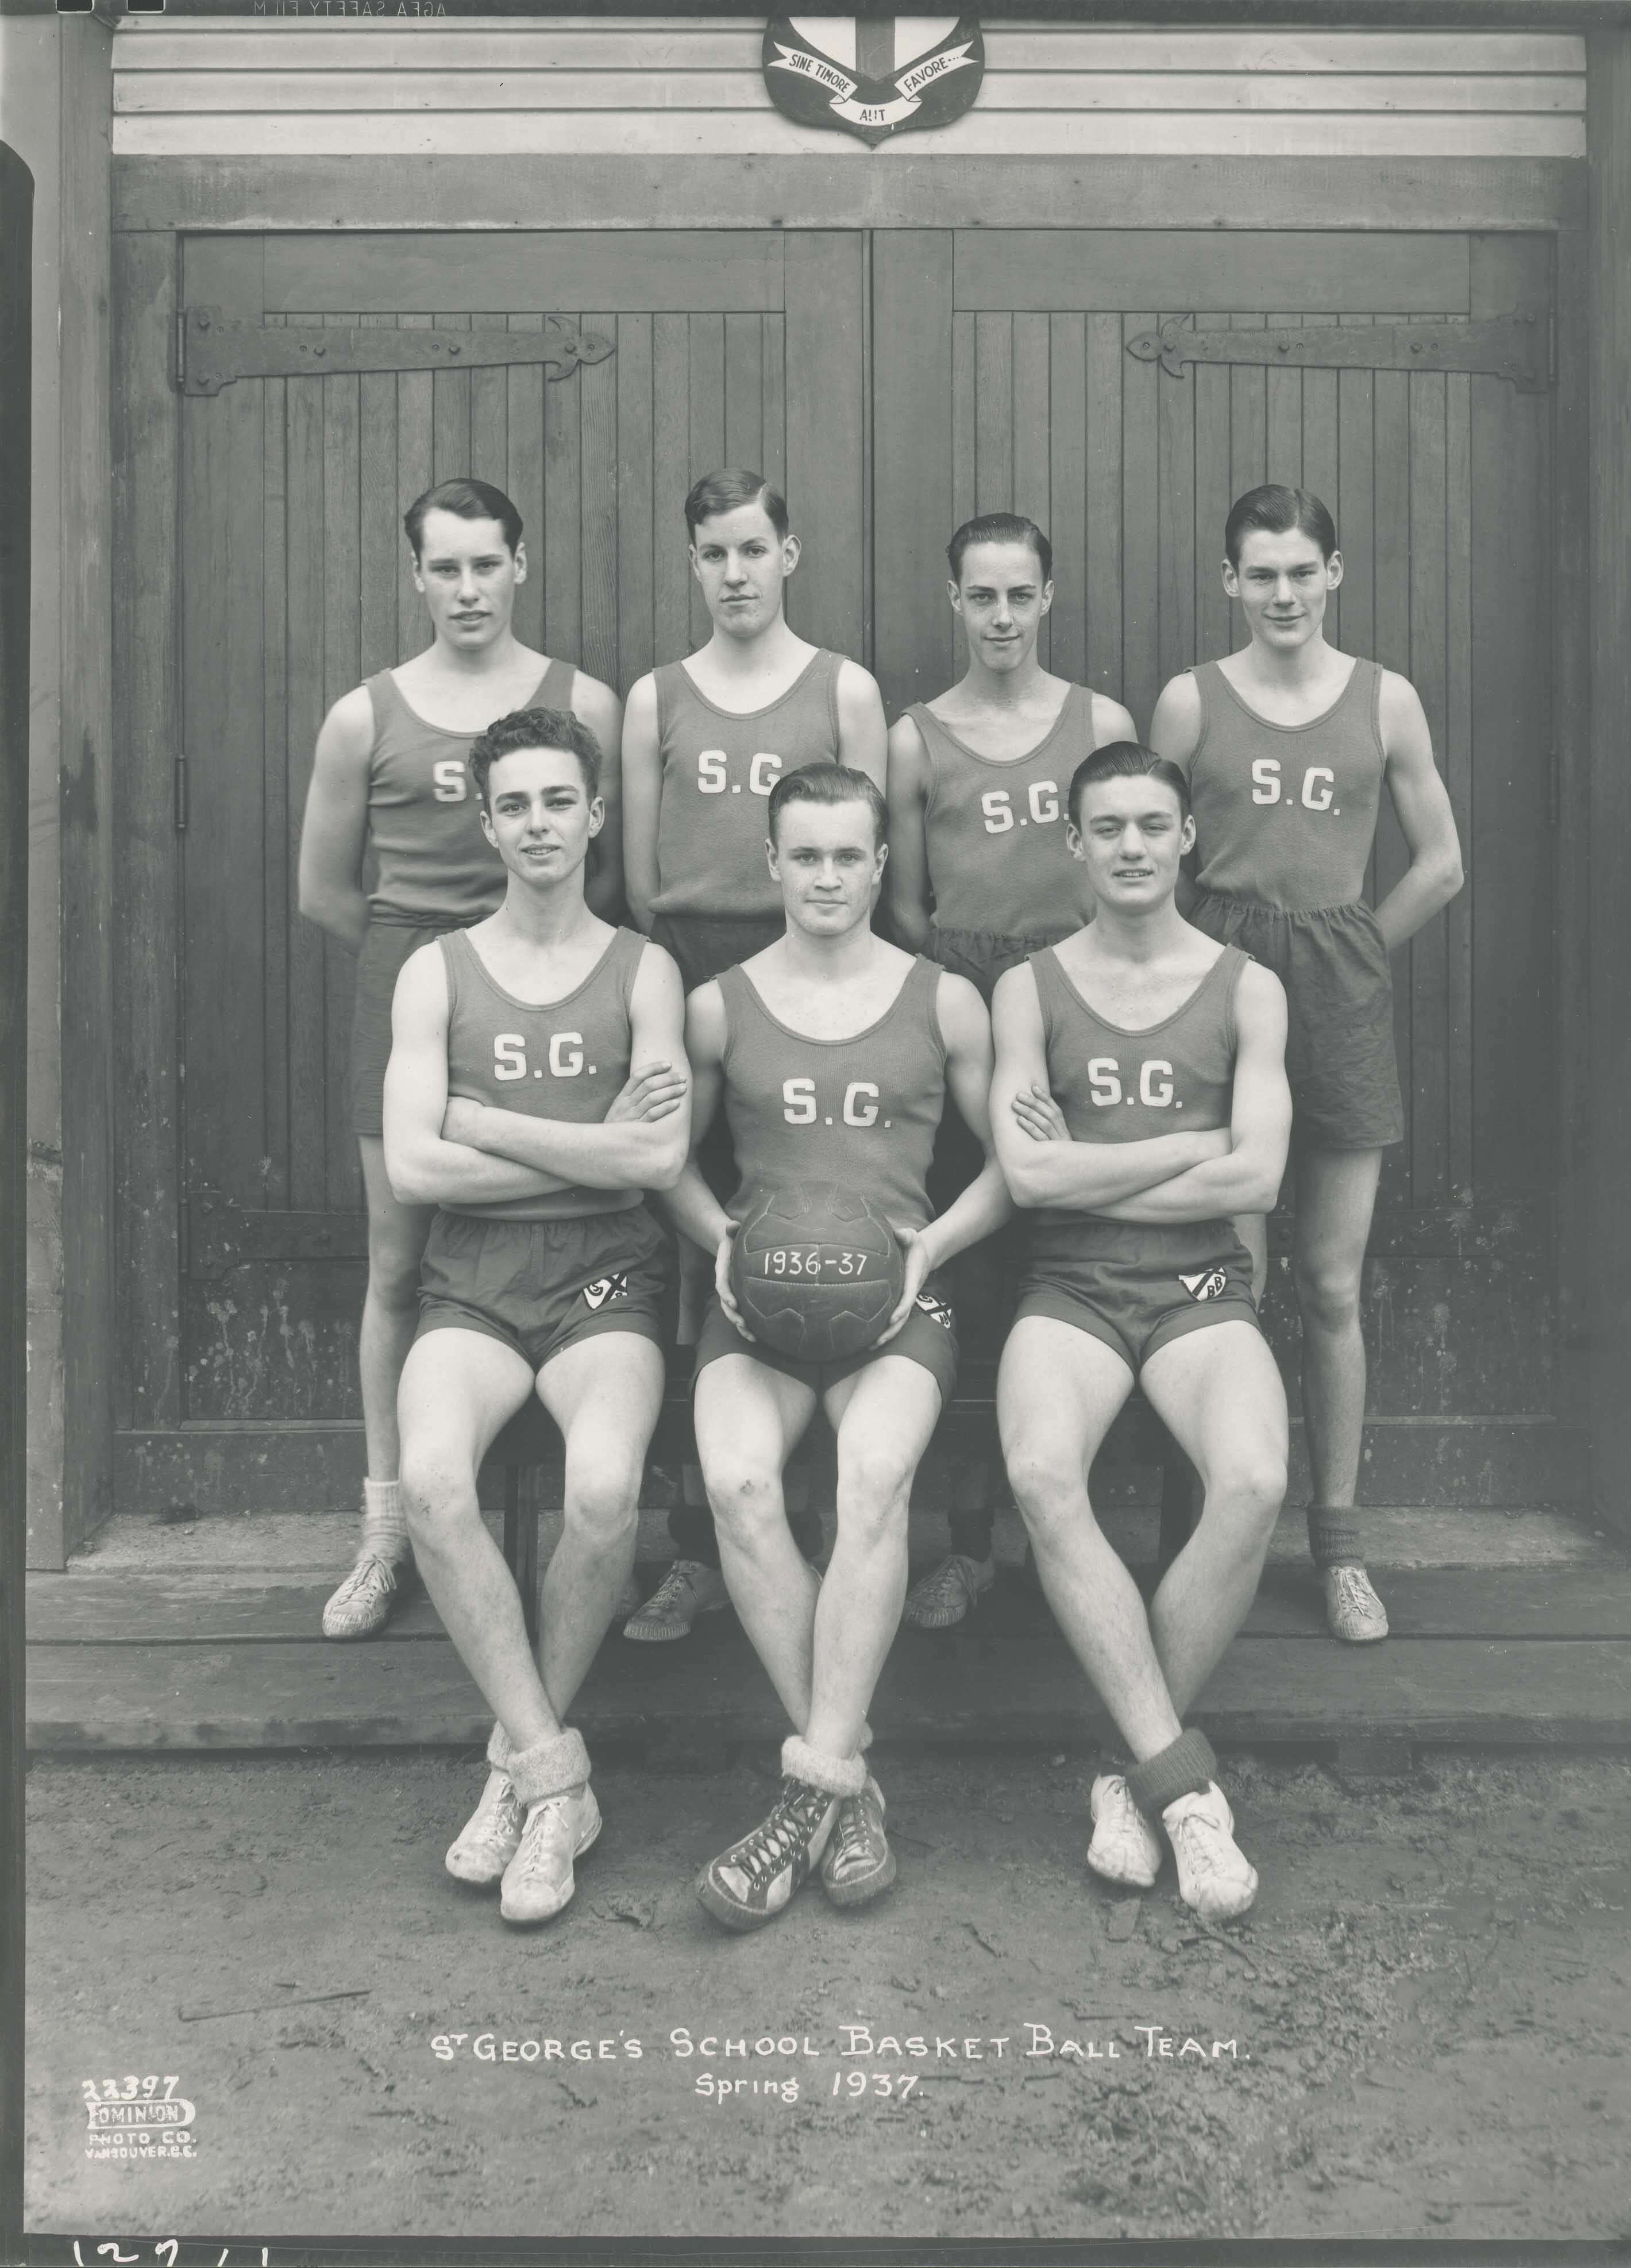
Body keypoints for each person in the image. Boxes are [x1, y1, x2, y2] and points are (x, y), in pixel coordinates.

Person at [665, 763, 1009, 1928]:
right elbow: (661, 1155)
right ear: (771, 863)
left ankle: (798, 1801)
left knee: (872, 1478)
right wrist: (716, 1237)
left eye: (845, 856)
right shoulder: (716, 1006)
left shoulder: (944, 1001)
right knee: (738, 1483)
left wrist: (935, 1246)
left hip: (899, 1312)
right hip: (755, 1310)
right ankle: (846, 1783)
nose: (824, 876)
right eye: (802, 855)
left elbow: (1020, 1162)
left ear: (878, 865)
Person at [298, 478, 623, 1641]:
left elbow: (605, 863)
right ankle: (387, 1523)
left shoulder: (579, 697)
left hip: (551, 984)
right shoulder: (364, 714)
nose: (468, 588)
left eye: (487, 564)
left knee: (576, 1211)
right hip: (411, 982)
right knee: (397, 1263)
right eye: (446, 568)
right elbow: (324, 891)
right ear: (417, 577)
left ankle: (624, 1525)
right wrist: (431, 970)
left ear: (520, 566)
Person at [383, 707, 689, 1925]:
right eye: (514, 805)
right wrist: (594, 1146)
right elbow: (414, 1170)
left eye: (558, 800)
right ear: (487, 821)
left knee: (607, 1493)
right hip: (471, 1284)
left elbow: (654, 1163)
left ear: (595, 812)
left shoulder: (643, 969)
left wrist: (487, 1120)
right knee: (432, 1484)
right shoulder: (435, 969)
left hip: (606, 1281)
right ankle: (549, 1772)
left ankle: (516, 1772)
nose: (538, 824)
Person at [1149, 485, 1464, 1645]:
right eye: (1259, 575)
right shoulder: (1189, 702)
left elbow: (1439, 863)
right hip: (1221, 990)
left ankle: (1336, 1547)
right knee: (1225, 1288)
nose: (1282, 594)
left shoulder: (1385, 701)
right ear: (1229, 583)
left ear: (1333, 574)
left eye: (1300, 571)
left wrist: (1351, 949)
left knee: (1329, 1282)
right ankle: (1210, 1537)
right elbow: (1151, 858)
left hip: (1334, 990)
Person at [991, 742, 1291, 1920]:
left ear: (1184, 841)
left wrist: (1087, 1165)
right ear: (1073, 844)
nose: (1128, 846)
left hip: (1198, 1289)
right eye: (1105, 826)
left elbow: (1256, 1179)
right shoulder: (1027, 987)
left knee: (1256, 1478)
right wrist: (1184, 1149)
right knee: (1035, 1470)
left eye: (1149, 825)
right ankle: (1186, 1793)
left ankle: (1136, 1776)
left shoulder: (1244, 985)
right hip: (1066, 1288)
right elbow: (1025, 1182)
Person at [618, 468, 889, 1643]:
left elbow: (866, 851)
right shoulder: (656, 696)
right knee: (695, 1258)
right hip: (696, 967)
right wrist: (681, 981)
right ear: (692, 564)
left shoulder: (845, 688)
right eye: (711, 554)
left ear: (790, 554)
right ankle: (695, 1544)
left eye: (750, 550)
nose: (732, 573)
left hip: (816, 970)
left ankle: (824, 1523)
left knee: (824, 1230)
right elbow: (633, 875)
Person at [886, 511, 1136, 1630]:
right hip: (960, 1013)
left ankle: (1073, 1533)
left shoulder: (1098, 723)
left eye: (1017, 596)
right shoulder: (916, 735)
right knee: (970, 1283)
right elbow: (904, 902)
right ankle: (972, 1541)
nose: (998, 617)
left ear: (1047, 597)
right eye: (979, 596)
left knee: (1081, 1269)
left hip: (1076, 1018)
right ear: (954, 601)